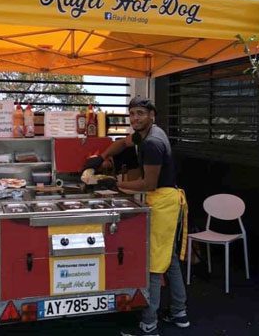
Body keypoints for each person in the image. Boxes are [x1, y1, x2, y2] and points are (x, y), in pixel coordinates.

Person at [84, 96, 190, 336]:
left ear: (152, 115)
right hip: (167, 198)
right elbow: (122, 144)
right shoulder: (147, 133)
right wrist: (101, 157)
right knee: (169, 258)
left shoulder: (152, 142)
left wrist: (115, 183)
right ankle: (179, 312)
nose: (135, 118)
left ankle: (149, 323)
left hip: (163, 201)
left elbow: (148, 183)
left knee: (153, 262)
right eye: (132, 114)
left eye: (140, 113)